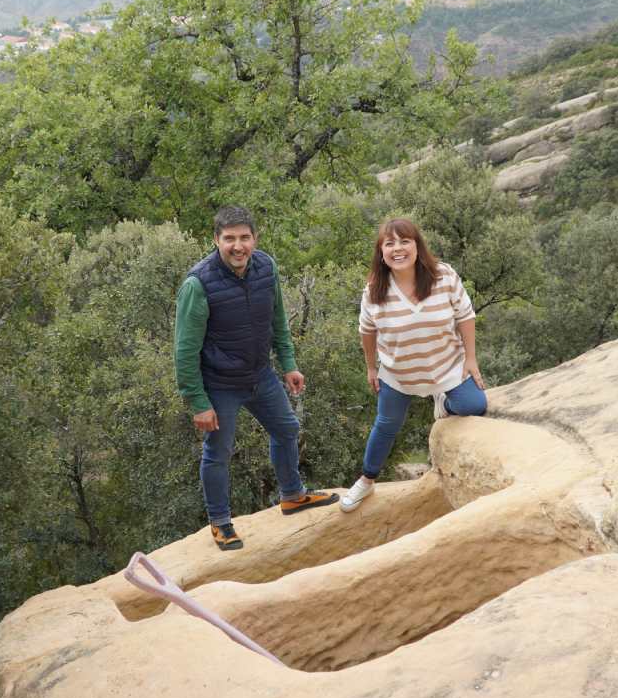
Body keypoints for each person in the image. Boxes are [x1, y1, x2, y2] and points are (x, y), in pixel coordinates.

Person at [175, 206, 339, 550]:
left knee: (287, 429)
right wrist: (198, 402)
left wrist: (289, 364)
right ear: (216, 240)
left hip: (260, 374)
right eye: (229, 238)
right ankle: (220, 523)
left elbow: (277, 319)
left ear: (255, 238)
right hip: (220, 383)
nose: (238, 246)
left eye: (244, 237)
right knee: (218, 452)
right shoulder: (199, 283)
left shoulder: (266, 267)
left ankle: (292, 496)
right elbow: (184, 351)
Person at [340, 217, 488, 513]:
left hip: (447, 366)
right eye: (389, 243)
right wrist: (371, 367)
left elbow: (465, 316)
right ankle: (366, 481)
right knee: (386, 426)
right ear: (380, 251)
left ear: (417, 246)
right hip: (398, 373)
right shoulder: (374, 290)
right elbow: (366, 331)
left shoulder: (443, 276)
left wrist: (470, 359)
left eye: (405, 241)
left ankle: (443, 402)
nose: (398, 249)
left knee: (476, 405)